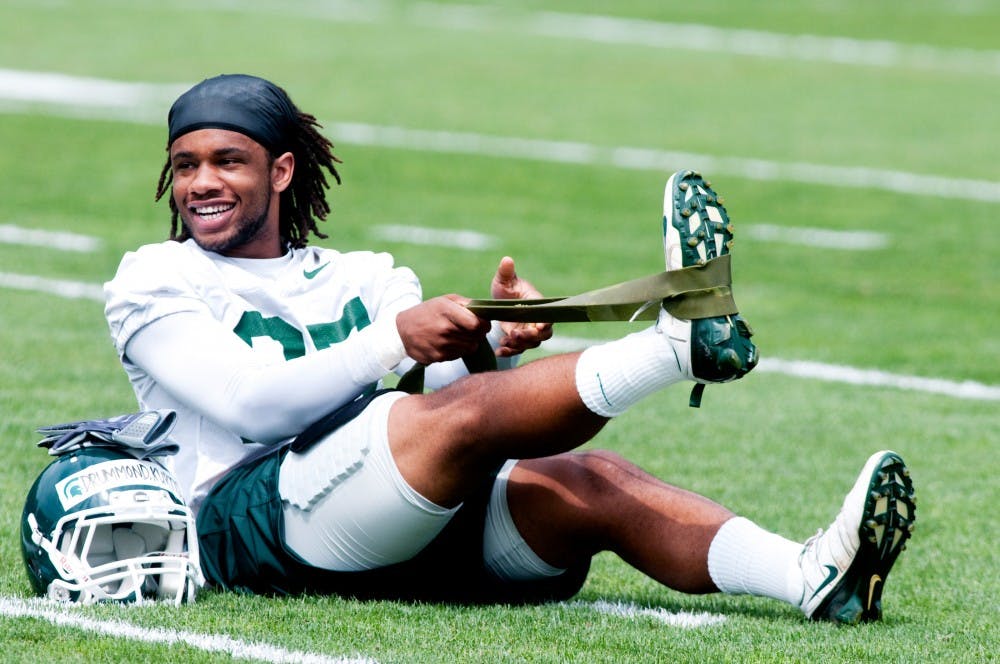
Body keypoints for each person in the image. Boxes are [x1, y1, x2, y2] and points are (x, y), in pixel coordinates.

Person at [102, 74, 915, 623]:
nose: (201, 182)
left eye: (226, 161)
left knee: (589, 482)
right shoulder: (153, 277)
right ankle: (675, 347)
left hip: (374, 518)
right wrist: (396, 340)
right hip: (248, 521)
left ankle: (813, 578)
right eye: (185, 166)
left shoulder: (369, 274)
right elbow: (250, 404)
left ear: (281, 171)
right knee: (430, 414)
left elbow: (443, 406)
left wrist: (497, 347)